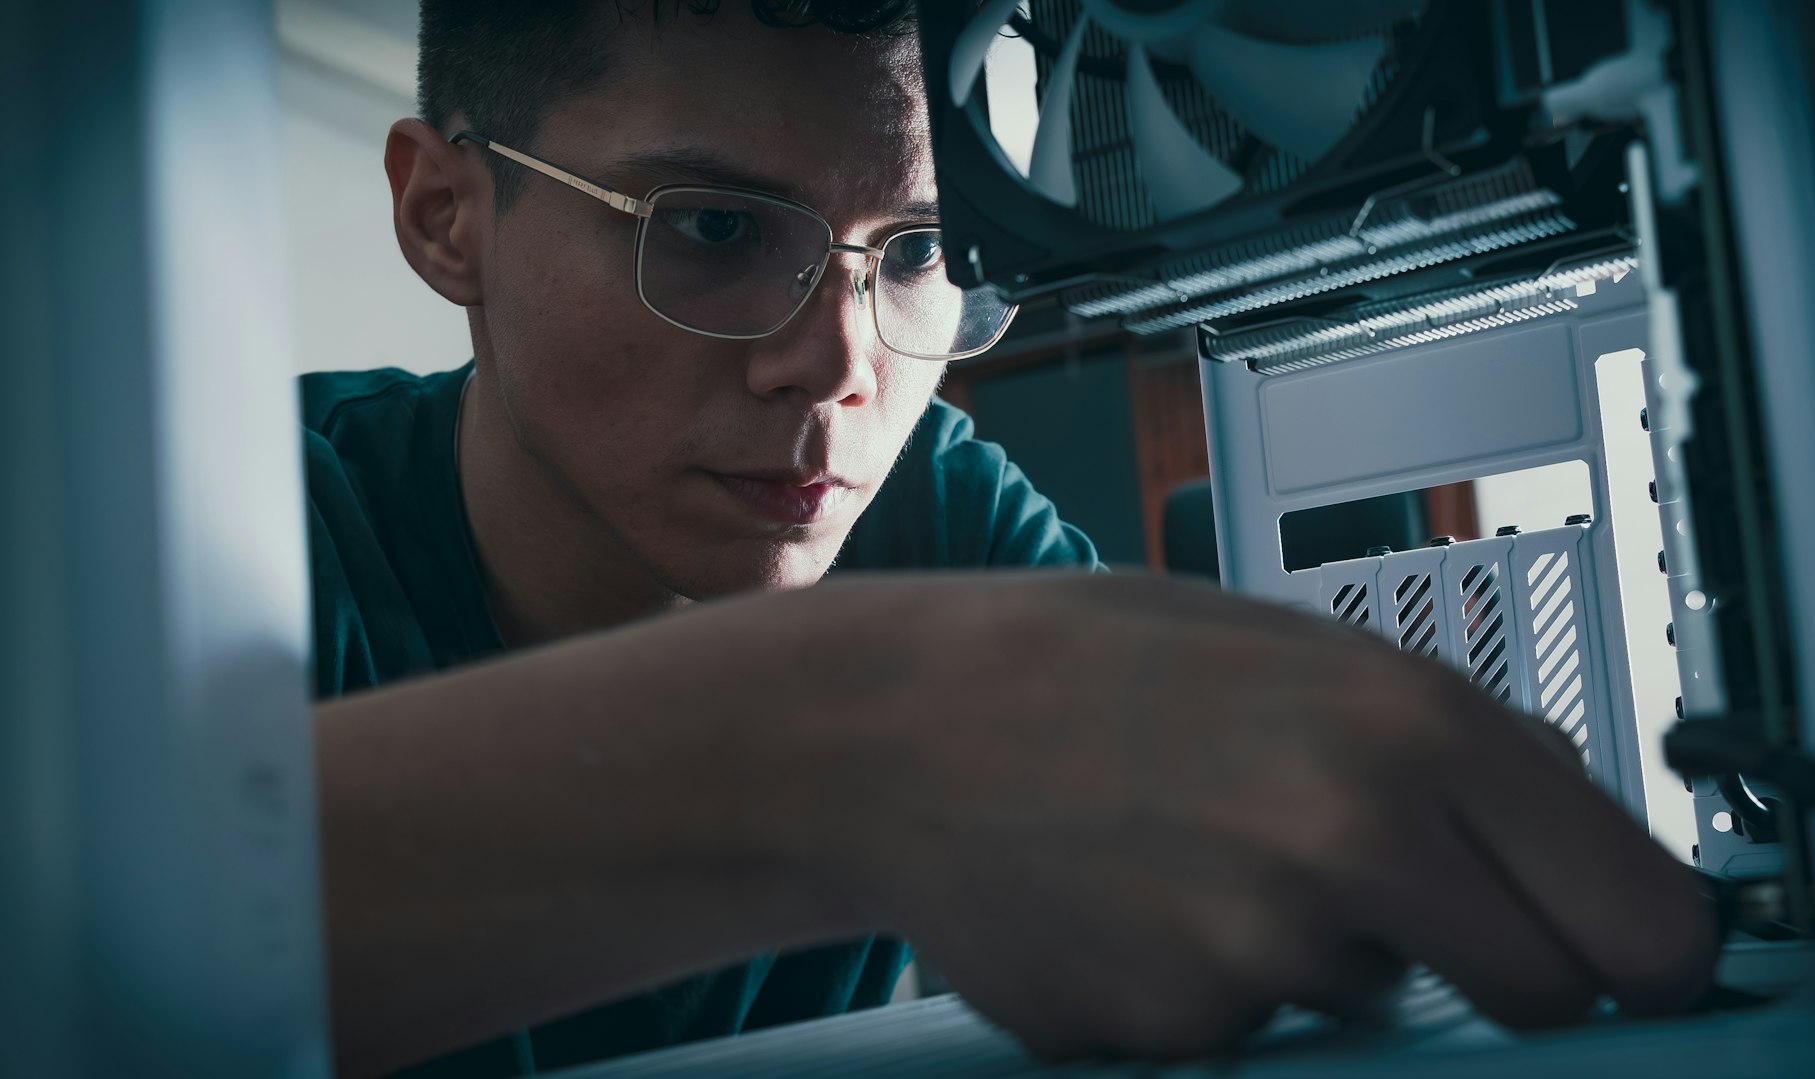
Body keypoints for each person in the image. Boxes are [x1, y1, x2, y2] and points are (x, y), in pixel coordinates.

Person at [308, 2, 1719, 1076]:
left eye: (916, 253)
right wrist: (864, 745)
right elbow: (110, 932)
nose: (840, 363)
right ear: (447, 219)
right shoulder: (250, 525)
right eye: (720, 228)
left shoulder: (938, 509)